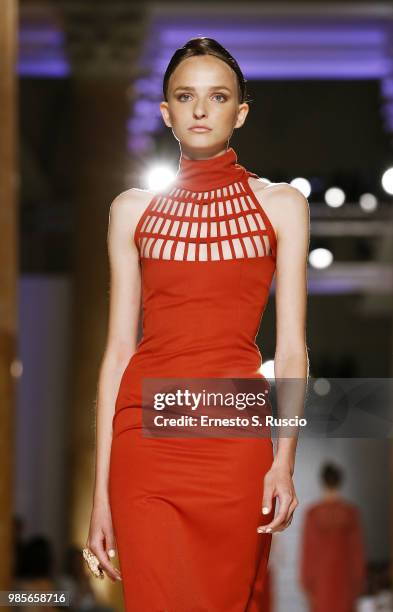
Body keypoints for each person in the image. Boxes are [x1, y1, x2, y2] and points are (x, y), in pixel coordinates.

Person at [85, 36, 309, 610]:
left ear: (241, 112)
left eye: (218, 96)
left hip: (235, 443)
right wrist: (100, 495)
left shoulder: (281, 205)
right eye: (186, 96)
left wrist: (284, 461)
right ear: (166, 113)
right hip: (145, 441)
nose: (201, 109)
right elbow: (116, 352)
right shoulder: (130, 210)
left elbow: (290, 350)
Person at [300, 462, 367, 612]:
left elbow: (308, 552)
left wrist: (307, 584)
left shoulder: (313, 514)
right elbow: (357, 552)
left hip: (320, 581)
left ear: (322, 482)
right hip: (346, 581)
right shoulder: (350, 513)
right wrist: (358, 582)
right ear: (340, 482)